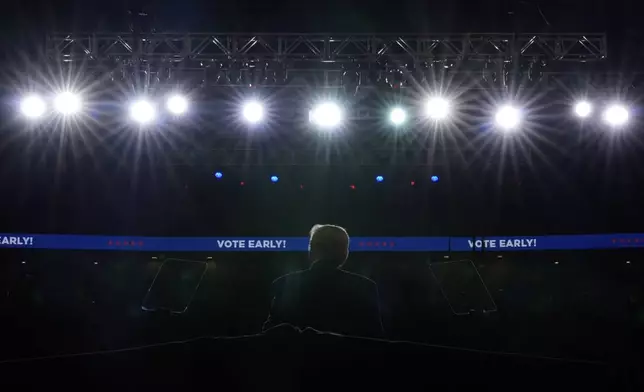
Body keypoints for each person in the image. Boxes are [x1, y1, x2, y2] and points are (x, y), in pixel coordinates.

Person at [263, 224, 385, 338]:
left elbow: (271, 335)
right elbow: (375, 339)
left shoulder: (283, 284)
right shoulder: (365, 287)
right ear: (344, 253)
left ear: (312, 249)